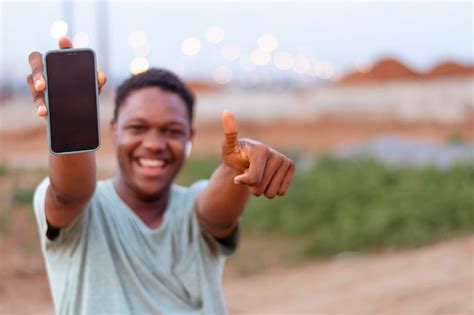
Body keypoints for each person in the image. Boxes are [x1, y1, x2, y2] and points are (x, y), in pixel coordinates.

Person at [27, 37, 294, 314]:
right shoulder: (86, 211)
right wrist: (67, 118)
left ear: (190, 137)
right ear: (114, 129)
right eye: (138, 127)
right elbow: (70, 193)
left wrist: (236, 167)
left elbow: (216, 214)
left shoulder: (195, 205)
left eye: (172, 131)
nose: (154, 143)